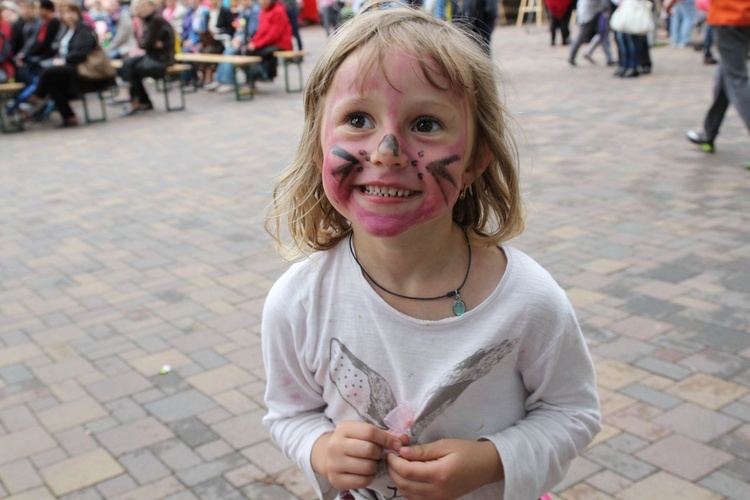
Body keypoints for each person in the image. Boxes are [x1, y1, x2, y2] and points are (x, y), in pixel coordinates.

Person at [261, 3, 602, 499]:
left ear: (475, 159)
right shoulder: (298, 302)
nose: (386, 150)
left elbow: (573, 413)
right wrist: (320, 449)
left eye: (425, 123)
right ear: (318, 147)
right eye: (358, 118)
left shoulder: (529, 301)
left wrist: (491, 460)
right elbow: (289, 413)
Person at [23, 0, 113, 127]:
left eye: (71, 12)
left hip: (86, 72)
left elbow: (79, 54)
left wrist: (63, 60)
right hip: (72, 70)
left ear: (77, 13)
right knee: (51, 83)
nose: (69, 15)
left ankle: (37, 97)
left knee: (48, 72)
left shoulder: (83, 28)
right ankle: (69, 117)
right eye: (65, 12)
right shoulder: (67, 29)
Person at [686, 0, 750, 169]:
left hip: (729, 16)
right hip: (743, 16)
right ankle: (709, 134)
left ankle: (709, 134)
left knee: (737, 80)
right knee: (724, 76)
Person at [118, 0, 175, 115]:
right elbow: (143, 42)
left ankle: (134, 100)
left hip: (161, 60)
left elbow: (144, 44)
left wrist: (149, 43)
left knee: (130, 69)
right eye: (139, 7)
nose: (142, 9)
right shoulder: (147, 20)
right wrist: (150, 43)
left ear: (152, 5)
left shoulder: (156, 20)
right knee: (127, 64)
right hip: (152, 56)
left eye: (144, 6)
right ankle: (137, 100)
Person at [212, 0, 260, 93]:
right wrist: (236, 38)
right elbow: (238, 27)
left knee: (229, 52)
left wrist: (240, 39)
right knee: (227, 51)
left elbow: (252, 31)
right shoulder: (243, 11)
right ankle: (220, 80)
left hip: (250, 43)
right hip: (241, 42)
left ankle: (227, 81)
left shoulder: (255, 11)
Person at [245, 0, 291, 82]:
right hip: (270, 43)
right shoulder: (263, 11)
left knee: (255, 52)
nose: (262, 2)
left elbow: (274, 35)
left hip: (280, 43)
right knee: (247, 50)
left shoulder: (278, 11)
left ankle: (260, 76)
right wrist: (253, 42)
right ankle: (255, 77)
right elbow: (260, 31)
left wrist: (257, 44)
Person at [568, 0, 609, 65]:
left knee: (602, 34)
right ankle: (571, 57)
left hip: (588, 11)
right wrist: (606, 8)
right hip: (589, 13)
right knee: (582, 37)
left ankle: (609, 58)